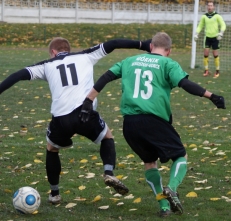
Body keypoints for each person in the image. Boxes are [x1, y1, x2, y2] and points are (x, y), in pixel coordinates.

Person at [82, 32, 226, 217]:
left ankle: (164, 207)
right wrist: (211, 96)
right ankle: (172, 188)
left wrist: (88, 101)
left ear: (151, 46)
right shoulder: (168, 63)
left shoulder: (130, 61)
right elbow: (185, 84)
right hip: (154, 121)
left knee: (150, 163)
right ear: (169, 51)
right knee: (180, 155)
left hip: (130, 124)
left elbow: (106, 77)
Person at [0, 37, 151, 204]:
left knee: (52, 149)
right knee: (107, 137)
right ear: (68, 49)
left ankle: (55, 194)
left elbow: (16, 76)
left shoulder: (46, 65)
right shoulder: (86, 56)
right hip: (85, 113)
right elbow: (114, 44)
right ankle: (109, 173)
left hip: (61, 119)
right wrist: (143, 45)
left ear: (53, 52)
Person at [194, 1, 226, 78]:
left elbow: (223, 25)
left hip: (215, 38)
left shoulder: (217, 16)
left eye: (211, 5)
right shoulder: (204, 16)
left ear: (213, 7)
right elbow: (200, 26)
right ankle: (206, 70)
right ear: (207, 7)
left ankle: (217, 71)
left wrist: (221, 33)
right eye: (208, 5)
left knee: (215, 55)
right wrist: (196, 33)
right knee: (205, 54)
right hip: (207, 37)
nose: (209, 7)